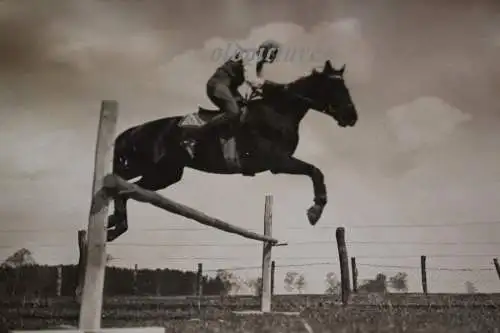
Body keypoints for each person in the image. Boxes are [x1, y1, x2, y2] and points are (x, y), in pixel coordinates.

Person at [180, 40, 281, 157]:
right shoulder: (251, 56)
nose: (274, 56)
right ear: (265, 51)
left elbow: (256, 86)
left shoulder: (259, 63)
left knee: (247, 112)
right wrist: (273, 86)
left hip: (229, 88)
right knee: (234, 112)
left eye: (276, 53)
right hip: (218, 85)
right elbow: (252, 80)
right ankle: (191, 136)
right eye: (273, 52)